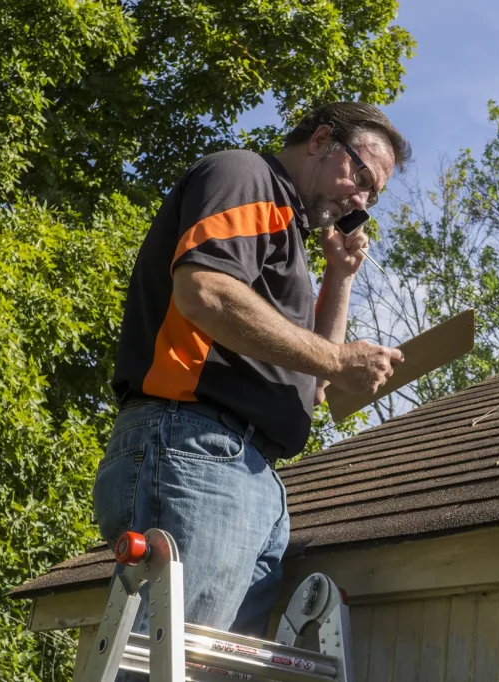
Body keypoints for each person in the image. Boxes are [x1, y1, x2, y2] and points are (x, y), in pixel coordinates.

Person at [92, 102, 411, 645]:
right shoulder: (246, 175)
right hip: (196, 448)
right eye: (359, 176)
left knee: (203, 666)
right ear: (321, 140)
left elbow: (313, 389)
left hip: (248, 471)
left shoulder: (289, 234)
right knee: (171, 660)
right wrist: (337, 360)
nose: (359, 200)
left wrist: (340, 277)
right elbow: (204, 292)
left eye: (372, 196)